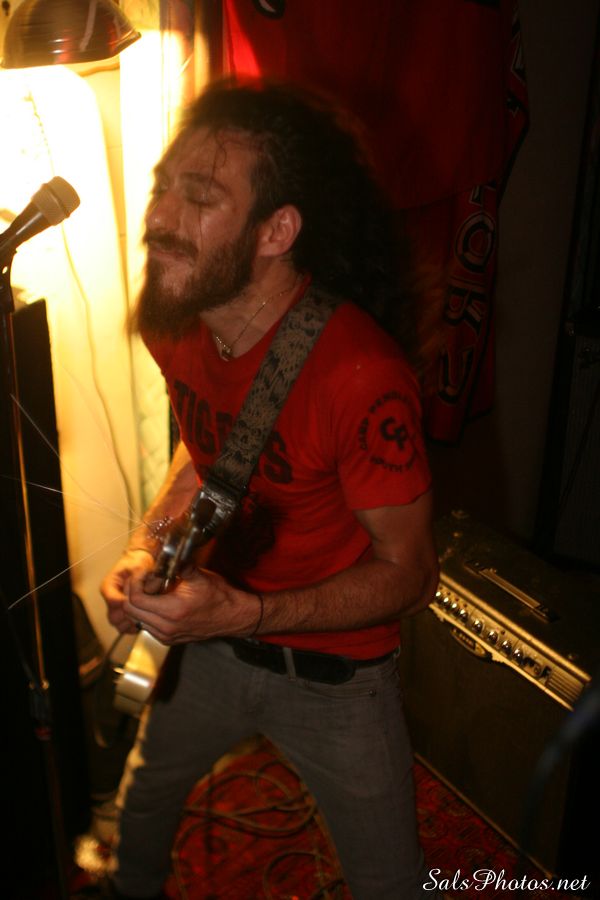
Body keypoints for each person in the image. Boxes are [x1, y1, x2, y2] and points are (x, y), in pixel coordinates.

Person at [100, 77, 439, 900]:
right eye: (164, 188)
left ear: (276, 231)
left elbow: (411, 574)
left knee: (390, 881)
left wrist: (246, 613)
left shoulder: (360, 376)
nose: (160, 218)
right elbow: (208, 450)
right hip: (212, 644)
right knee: (142, 801)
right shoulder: (176, 319)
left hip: (337, 675)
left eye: (200, 197)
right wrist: (149, 548)